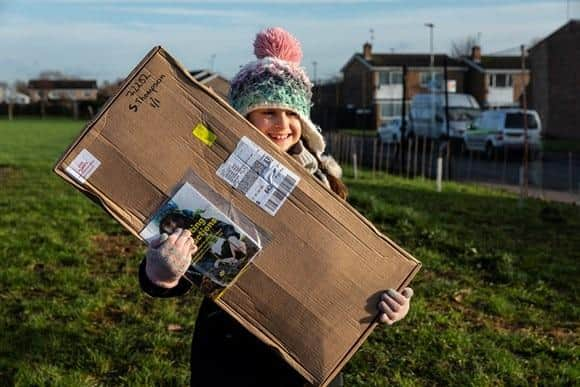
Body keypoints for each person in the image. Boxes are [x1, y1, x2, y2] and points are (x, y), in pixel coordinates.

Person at [139, 27, 414, 387]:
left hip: (311, 357)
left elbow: (349, 261)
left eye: (291, 113)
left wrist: (388, 298)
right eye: (268, 112)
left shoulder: (322, 182)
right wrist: (162, 272)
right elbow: (173, 269)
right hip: (232, 352)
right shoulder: (214, 178)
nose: (282, 125)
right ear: (243, 119)